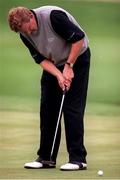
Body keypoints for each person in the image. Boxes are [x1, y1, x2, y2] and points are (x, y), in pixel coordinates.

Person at [8, 5, 91, 171]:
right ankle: (46, 158)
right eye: (24, 32)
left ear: (30, 17)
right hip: (54, 64)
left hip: (77, 59)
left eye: (29, 29)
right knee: (47, 109)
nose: (29, 33)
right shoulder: (24, 34)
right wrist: (59, 75)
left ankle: (78, 159)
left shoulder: (53, 17)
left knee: (71, 109)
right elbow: (40, 59)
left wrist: (68, 66)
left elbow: (78, 38)